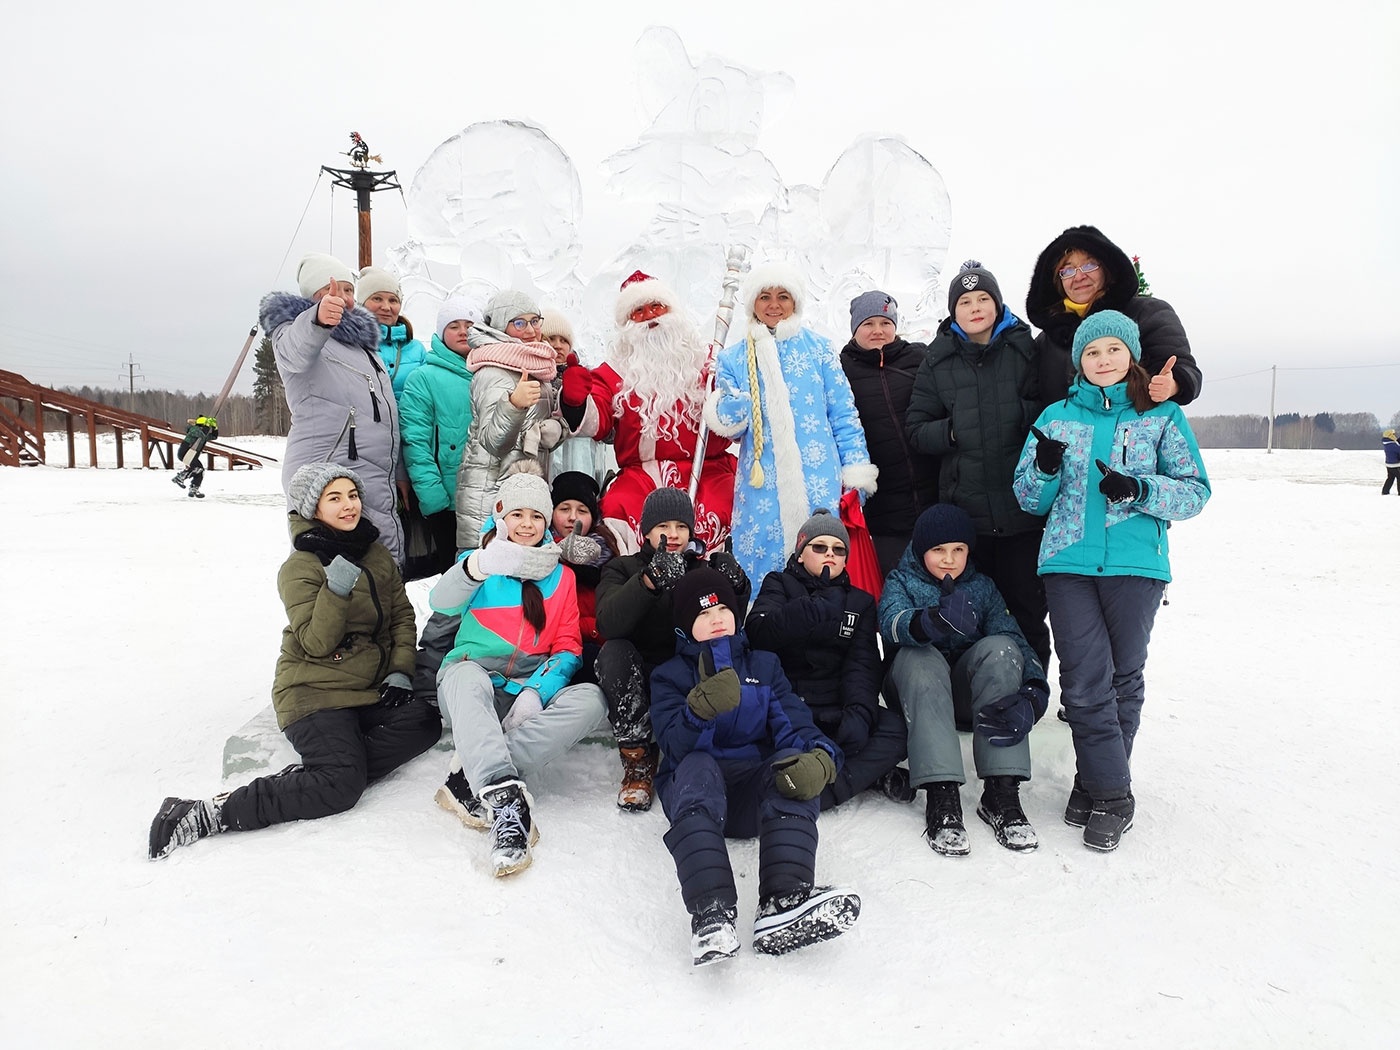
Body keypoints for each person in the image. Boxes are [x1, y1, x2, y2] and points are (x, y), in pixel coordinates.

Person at [148, 463, 442, 859]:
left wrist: (400, 672)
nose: (348, 506)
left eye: (352, 496)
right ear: (312, 508)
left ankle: (326, 771)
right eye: (334, 498)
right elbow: (317, 642)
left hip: (367, 688)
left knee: (423, 723)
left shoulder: (376, 555)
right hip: (314, 691)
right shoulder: (300, 567)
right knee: (341, 788)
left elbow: (402, 617)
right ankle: (209, 813)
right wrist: (336, 589)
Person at [1014, 311, 1210, 852]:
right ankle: (1115, 795)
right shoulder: (1054, 417)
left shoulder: (1162, 415)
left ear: (1131, 357)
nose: (1103, 361)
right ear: (1079, 361)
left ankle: (1092, 782)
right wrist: (1046, 469)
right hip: (1068, 564)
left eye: (1113, 351)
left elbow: (1195, 491)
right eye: (1092, 353)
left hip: (1135, 566)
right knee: (1082, 681)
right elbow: (1028, 498)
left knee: (1123, 678)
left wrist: (1139, 490)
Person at [652, 568, 861, 965]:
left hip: (751, 796)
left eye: (722, 609)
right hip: (695, 798)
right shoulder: (669, 676)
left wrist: (821, 757)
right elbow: (673, 748)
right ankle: (712, 915)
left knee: (790, 766)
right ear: (684, 624)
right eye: (702, 613)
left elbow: (795, 725)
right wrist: (697, 712)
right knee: (698, 765)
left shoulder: (763, 666)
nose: (716, 618)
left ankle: (783, 903)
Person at [429, 473, 606, 877]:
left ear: (547, 522)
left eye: (536, 516)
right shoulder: (479, 562)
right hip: (469, 683)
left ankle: (469, 776)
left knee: (591, 699)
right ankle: (507, 800)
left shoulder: (562, 577)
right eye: (517, 514)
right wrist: (475, 567)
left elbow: (567, 648)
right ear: (501, 516)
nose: (526, 524)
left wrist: (536, 693)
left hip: (524, 689)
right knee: (468, 676)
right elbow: (441, 601)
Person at [879, 503, 1050, 855]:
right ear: (921, 549)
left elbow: (1015, 639)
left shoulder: (982, 587)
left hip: (963, 696)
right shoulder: (901, 580)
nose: (948, 559)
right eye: (938, 550)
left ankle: (1002, 791)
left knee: (1000, 648)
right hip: (915, 690)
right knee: (920, 656)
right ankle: (942, 795)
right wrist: (928, 623)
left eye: (958, 550)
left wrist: (1035, 690)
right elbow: (891, 623)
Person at [905, 261, 1051, 672]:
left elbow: (1050, 411)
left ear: (998, 304)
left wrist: (1021, 417)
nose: (974, 308)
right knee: (969, 610)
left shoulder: (1025, 349)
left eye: (983, 298)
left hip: (1021, 508)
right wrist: (953, 432)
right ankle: (976, 686)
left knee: (1026, 606)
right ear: (953, 311)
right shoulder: (938, 359)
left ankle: (1032, 686)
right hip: (966, 516)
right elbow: (916, 428)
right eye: (964, 301)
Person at [705, 262, 878, 588]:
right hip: (761, 484)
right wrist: (735, 402)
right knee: (763, 564)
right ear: (752, 303)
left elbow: (843, 414)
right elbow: (730, 426)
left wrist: (855, 471)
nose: (774, 305)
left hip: (818, 477)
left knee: (820, 557)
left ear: (795, 302)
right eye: (765, 296)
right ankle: (760, 624)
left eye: (783, 296)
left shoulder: (819, 350)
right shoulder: (734, 358)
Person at [594, 487, 750, 812]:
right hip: (641, 673)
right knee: (613, 651)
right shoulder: (621, 568)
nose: (674, 534)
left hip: (687, 674)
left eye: (681, 526)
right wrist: (648, 582)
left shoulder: (700, 570)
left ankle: (708, 749)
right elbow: (608, 623)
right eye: (663, 527)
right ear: (646, 531)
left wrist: (737, 586)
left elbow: (730, 624)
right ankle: (637, 756)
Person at [745, 509, 911, 809]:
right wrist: (810, 608)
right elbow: (759, 634)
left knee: (895, 729)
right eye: (819, 547)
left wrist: (859, 712)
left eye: (838, 550)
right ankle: (853, 779)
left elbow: (862, 664)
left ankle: (821, 784)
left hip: (834, 706)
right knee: (755, 744)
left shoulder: (859, 601)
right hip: (786, 706)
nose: (829, 555)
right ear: (800, 553)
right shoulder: (778, 584)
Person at [561, 271, 737, 552]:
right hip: (642, 475)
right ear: (627, 325)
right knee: (619, 504)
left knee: (731, 500)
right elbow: (599, 421)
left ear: (672, 312)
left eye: (657, 307)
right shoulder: (615, 371)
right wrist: (575, 403)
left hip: (710, 469)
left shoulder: (708, 361)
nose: (650, 317)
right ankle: (622, 567)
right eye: (639, 312)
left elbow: (735, 416)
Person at [260, 253, 404, 564]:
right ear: (313, 297)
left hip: (374, 474)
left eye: (349, 290)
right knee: (329, 570)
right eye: (331, 290)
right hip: (327, 470)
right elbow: (294, 353)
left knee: (381, 568)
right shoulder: (294, 329)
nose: (344, 298)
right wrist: (317, 320)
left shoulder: (364, 345)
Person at [1026, 225, 1202, 407]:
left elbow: (1185, 370)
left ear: (1107, 268)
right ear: (1058, 280)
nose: (1078, 277)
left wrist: (1174, 384)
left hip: (1136, 431)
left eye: (1089, 265)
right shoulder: (1046, 340)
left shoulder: (1148, 314)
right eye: (1068, 270)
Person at [454, 290, 567, 551]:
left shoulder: (534, 365)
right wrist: (513, 404)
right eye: (519, 323)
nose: (530, 330)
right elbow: (493, 442)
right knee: (485, 577)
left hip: (518, 493)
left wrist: (556, 429)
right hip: (490, 494)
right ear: (500, 328)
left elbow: (535, 424)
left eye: (534, 321)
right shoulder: (494, 370)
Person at [840, 290, 937, 576]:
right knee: (897, 589)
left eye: (885, 323)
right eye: (868, 324)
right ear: (856, 328)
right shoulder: (840, 371)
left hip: (935, 499)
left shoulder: (919, 358)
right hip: (884, 514)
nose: (878, 331)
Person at [399, 297, 482, 572]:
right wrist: (433, 498)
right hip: (448, 502)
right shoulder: (424, 378)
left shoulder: (490, 373)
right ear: (441, 333)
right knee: (457, 580)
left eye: (469, 325)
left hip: (488, 497)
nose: (462, 332)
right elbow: (416, 442)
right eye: (454, 326)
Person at [550, 470, 618, 681]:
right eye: (564, 509)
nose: (573, 518)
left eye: (582, 510)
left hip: (591, 645)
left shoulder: (607, 554)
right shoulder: (539, 552)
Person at [541, 309, 610, 482]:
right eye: (551, 338)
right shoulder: (530, 376)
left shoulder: (585, 379)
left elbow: (608, 431)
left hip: (577, 469)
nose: (558, 345)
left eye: (564, 340)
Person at [358, 267, 428, 399]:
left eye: (393, 300)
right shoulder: (351, 346)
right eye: (377, 299)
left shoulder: (417, 350)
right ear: (362, 303)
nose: (386, 307)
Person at [171, 415, 219, 499]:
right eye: (206, 426)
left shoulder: (203, 433)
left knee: (200, 470)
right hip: (185, 453)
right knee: (197, 468)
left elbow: (214, 436)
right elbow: (201, 435)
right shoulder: (194, 430)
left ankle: (194, 488)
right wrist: (208, 425)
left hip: (192, 455)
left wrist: (215, 428)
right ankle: (180, 477)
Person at [1382, 428, 1400, 495]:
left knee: (1390, 478)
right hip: (1395, 465)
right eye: (1393, 434)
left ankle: (1385, 491)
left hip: (1389, 464)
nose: (1394, 435)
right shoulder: (1393, 445)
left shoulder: (1387, 444)